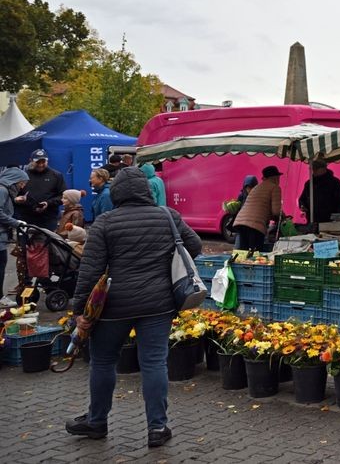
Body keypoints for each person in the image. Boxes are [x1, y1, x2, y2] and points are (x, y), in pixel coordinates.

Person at [65, 166, 203, 448]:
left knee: (103, 362)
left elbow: (89, 272)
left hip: (113, 306)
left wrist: (79, 310)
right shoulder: (168, 216)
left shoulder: (105, 222)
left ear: (116, 192)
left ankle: (96, 421)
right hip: (159, 304)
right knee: (154, 363)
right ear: (146, 190)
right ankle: (157, 428)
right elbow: (195, 246)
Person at [233, 165, 283, 252]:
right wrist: (283, 218)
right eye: (278, 177)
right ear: (275, 178)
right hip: (255, 226)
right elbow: (276, 211)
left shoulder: (256, 187)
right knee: (255, 254)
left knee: (242, 253)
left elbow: (259, 206)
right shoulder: (275, 188)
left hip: (240, 223)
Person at [15, 149, 67, 231]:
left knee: (49, 243)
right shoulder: (22, 175)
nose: (41, 164)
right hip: (26, 217)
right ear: (30, 161)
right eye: (38, 162)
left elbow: (63, 196)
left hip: (48, 218)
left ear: (47, 161)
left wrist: (48, 203)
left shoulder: (56, 175)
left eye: (43, 162)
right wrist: (17, 199)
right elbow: (13, 195)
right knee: (26, 243)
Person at [0, 168, 30, 305]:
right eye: (22, 183)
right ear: (13, 180)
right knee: (1, 265)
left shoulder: (5, 190)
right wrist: (16, 223)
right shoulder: (3, 190)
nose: (22, 186)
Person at [298, 160, 340, 229]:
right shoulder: (309, 184)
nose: (314, 171)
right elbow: (302, 199)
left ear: (324, 168)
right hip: (313, 223)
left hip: (330, 223)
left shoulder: (335, 182)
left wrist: (335, 219)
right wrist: (302, 205)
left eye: (316, 168)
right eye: (313, 168)